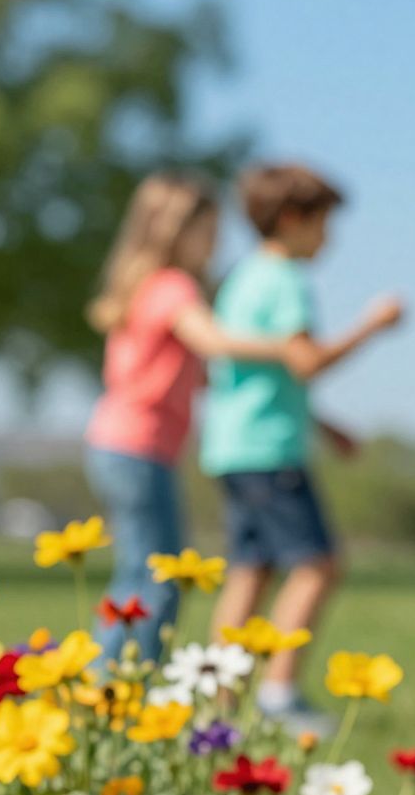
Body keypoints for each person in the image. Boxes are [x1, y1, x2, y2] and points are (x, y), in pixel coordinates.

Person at [201, 162, 404, 733]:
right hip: (271, 450)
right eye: (324, 224)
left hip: (233, 445)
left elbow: (263, 378)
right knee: (318, 565)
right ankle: (279, 692)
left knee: (251, 570)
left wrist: (323, 424)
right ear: (293, 219)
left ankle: (216, 696)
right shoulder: (286, 279)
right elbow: (306, 361)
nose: (328, 239)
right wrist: (373, 325)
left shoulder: (241, 278)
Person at [83, 173, 296, 658]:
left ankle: (111, 679)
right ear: (178, 231)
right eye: (210, 231)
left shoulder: (143, 287)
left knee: (138, 573)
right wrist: (288, 348)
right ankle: (121, 683)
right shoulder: (173, 287)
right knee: (158, 579)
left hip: (116, 443)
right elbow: (214, 343)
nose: (216, 244)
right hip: (139, 447)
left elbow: (199, 376)